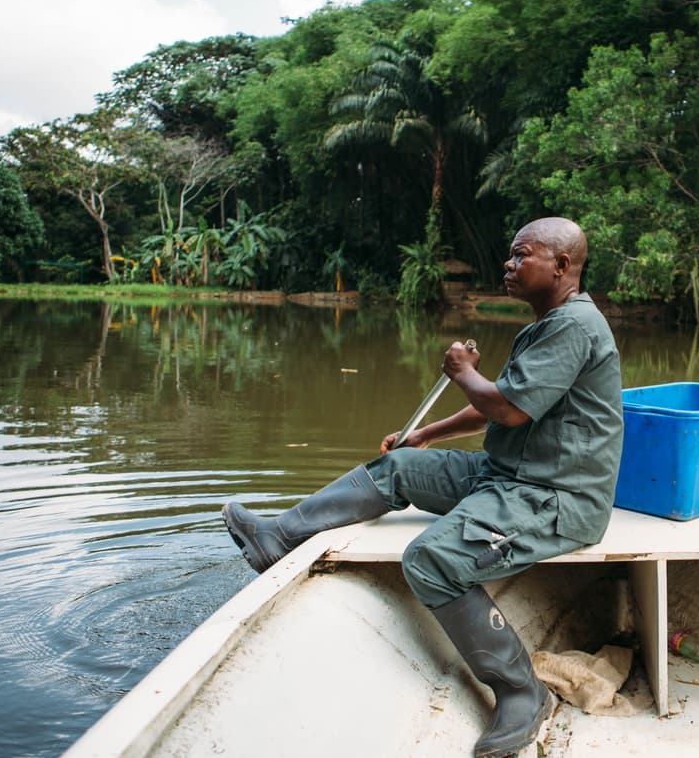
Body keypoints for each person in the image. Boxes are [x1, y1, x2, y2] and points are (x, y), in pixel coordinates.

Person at [222, 216, 624, 758]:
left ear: (561, 265)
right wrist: (425, 435)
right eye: (510, 254)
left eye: (520, 255)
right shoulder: (550, 323)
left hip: (555, 498)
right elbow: (505, 403)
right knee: (398, 467)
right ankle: (279, 536)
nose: (508, 264)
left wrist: (462, 371)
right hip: (508, 475)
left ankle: (521, 692)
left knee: (433, 559)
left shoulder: (574, 326)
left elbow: (507, 408)